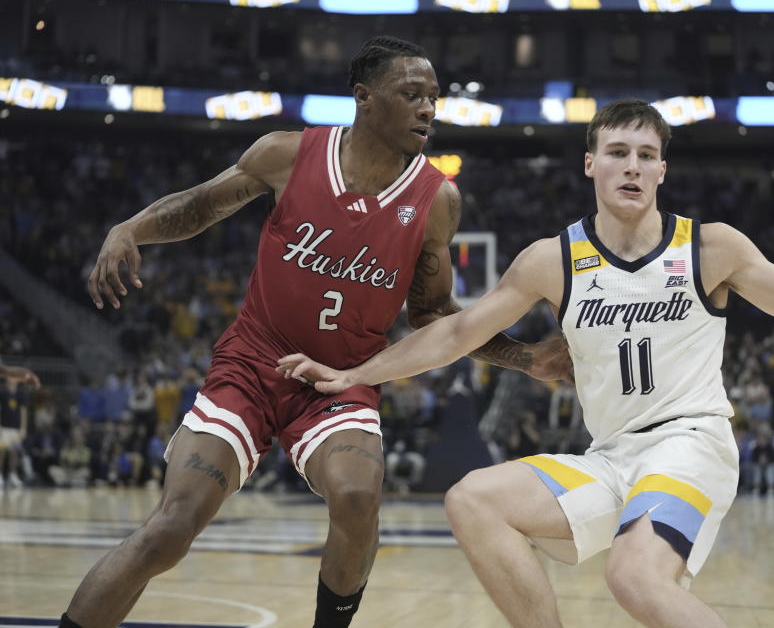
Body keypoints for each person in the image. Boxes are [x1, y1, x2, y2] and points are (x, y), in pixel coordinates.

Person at [278, 99, 774, 627]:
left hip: (691, 445)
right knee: (472, 500)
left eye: (645, 155)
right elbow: (453, 336)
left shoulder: (711, 247)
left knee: (634, 578)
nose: (631, 166)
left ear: (663, 170)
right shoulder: (551, 261)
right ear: (590, 164)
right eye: (617, 152)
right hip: (610, 458)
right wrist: (355, 373)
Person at [64, 36, 571, 628]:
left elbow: (432, 316)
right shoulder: (285, 154)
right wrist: (131, 228)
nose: (429, 108)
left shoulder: (437, 200)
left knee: (358, 499)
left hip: (341, 381)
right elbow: (201, 206)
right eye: (411, 95)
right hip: (251, 365)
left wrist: (522, 357)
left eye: (434, 97)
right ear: (364, 98)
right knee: (171, 530)